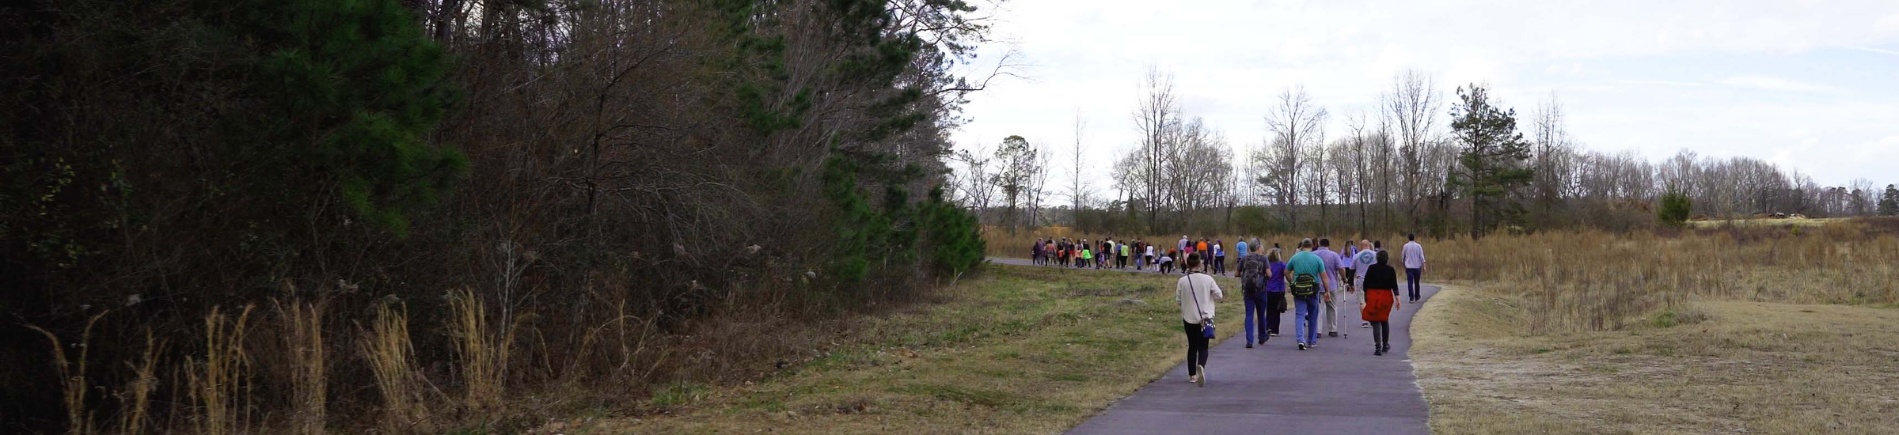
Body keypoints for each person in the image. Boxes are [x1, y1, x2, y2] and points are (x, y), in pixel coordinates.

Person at [1173, 254, 1224, 386]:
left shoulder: (1182, 281)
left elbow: (1178, 300)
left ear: (1188, 264)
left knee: (1192, 346)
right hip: (1205, 318)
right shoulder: (1208, 279)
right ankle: (1201, 365)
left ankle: (1192, 375)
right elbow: (1219, 295)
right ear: (1200, 264)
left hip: (1189, 318)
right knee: (1203, 346)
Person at [1287, 239, 1331, 350]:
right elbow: (1324, 277)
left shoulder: (1295, 258)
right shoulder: (1317, 259)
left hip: (1299, 290)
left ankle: (1300, 339)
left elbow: (1286, 272)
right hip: (1313, 290)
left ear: (1302, 246)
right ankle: (1311, 340)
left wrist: (1292, 282)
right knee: (1313, 315)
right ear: (1312, 246)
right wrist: (1327, 291)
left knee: (1300, 315)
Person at [1361, 250, 1401, 355]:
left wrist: (1366, 295)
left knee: (1376, 321)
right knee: (1384, 319)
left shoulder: (1371, 268)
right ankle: (1385, 344)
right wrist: (1398, 298)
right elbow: (1394, 285)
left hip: (1373, 295)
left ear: (1377, 258)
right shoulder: (1390, 270)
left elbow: (1365, 284)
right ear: (1387, 258)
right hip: (1386, 296)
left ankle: (1377, 346)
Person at [1237, 244, 1270, 348]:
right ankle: (1262, 337)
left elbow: (1236, 273)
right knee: (1261, 314)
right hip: (1261, 290)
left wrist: (1245, 275)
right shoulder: (1263, 258)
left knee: (1249, 315)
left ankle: (1249, 340)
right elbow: (1269, 274)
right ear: (1258, 248)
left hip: (1248, 290)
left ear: (1249, 248)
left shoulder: (1244, 258)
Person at [1314, 238, 1346, 339]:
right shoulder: (1334, 255)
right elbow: (1341, 268)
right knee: (1332, 307)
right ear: (1328, 245)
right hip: (1331, 285)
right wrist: (1344, 278)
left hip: (1317, 285)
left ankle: (1317, 330)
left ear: (1319, 244)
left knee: (1318, 309)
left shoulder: (1313, 255)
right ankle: (1333, 329)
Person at [1353, 240, 1379, 328]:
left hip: (1361, 280)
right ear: (1369, 245)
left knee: (1362, 301)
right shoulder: (1375, 255)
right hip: (1373, 280)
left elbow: (1352, 270)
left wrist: (1350, 283)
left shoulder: (1356, 256)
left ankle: (1365, 320)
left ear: (1361, 246)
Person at [1264, 248, 1288, 338]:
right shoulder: (1281, 264)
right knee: (1276, 311)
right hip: (1278, 289)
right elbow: (1287, 272)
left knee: (1269, 309)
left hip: (1268, 289)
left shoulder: (1267, 265)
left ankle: (1268, 327)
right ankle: (1275, 330)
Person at [1403, 233, 1427, 303]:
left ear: (1408, 238)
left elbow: (1403, 256)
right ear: (1414, 238)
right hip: (1417, 266)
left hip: (1409, 267)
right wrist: (1424, 265)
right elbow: (1421, 256)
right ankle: (1417, 296)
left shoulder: (1406, 246)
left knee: (1410, 282)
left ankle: (1411, 298)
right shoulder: (1418, 246)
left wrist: (1403, 263)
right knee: (1417, 282)